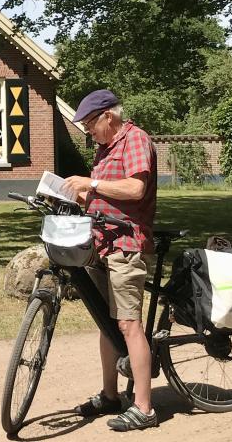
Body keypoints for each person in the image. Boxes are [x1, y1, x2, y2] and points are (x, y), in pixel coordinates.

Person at [62, 89, 158, 431]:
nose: (88, 131)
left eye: (90, 123)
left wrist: (93, 183)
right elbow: (102, 191)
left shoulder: (135, 140)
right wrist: (73, 192)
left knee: (129, 324)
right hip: (102, 243)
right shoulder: (105, 148)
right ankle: (110, 395)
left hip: (126, 244)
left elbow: (134, 190)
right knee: (107, 322)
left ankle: (145, 408)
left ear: (109, 117)